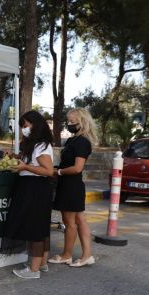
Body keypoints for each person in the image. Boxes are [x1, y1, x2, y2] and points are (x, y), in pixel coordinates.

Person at [1, 111, 55, 279]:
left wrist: (25, 168)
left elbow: (48, 170)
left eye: (25, 125)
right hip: (31, 186)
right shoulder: (34, 144)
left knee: (36, 229)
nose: (23, 129)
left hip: (36, 188)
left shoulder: (42, 146)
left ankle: (33, 270)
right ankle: (41, 263)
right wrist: (15, 157)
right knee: (40, 228)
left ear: (35, 124)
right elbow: (30, 160)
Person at [49, 108, 98, 268]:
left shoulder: (82, 142)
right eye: (68, 121)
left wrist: (59, 171)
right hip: (69, 184)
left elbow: (77, 168)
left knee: (70, 223)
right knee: (79, 220)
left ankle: (67, 255)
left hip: (71, 186)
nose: (69, 124)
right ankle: (87, 255)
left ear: (82, 122)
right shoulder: (72, 140)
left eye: (72, 122)